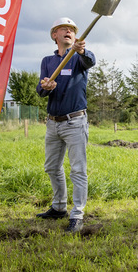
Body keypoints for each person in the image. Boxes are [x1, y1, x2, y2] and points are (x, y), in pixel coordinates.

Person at [36, 17, 95, 233]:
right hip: (53, 123)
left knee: (78, 169)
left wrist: (81, 52)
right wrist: (46, 87)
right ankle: (59, 207)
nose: (69, 31)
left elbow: (90, 62)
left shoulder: (78, 57)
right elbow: (40, 91)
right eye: (64, 29)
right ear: (55, 35)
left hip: (75, 121)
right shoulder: (47, 61)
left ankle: (77, 214)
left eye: (72, 29)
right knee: (52, 167)